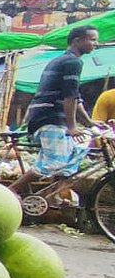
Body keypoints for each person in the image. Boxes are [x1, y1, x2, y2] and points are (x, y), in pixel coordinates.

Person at [9, 24, 98, 197]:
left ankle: (51, 195)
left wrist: (88, 122)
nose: (96, 43)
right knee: (53, 163)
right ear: (77, 41)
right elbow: (69, 96)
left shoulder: (64, 60)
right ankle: (12, 189)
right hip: (49, 119)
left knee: (79, 148)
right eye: (92, 39)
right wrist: (72, 127)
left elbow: (76, 97)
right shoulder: (73, 61)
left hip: (48, 118)